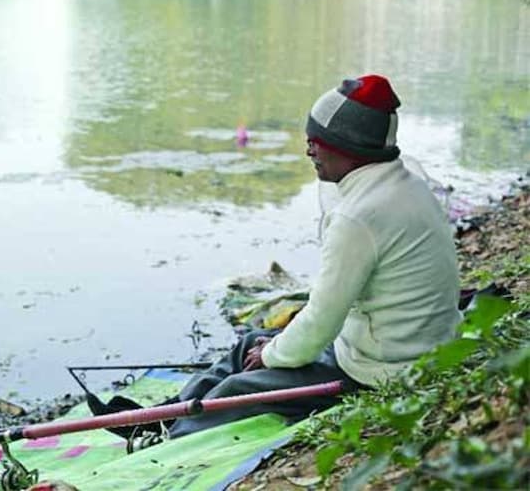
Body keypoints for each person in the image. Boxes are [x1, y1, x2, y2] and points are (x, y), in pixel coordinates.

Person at [161, 74, 462, 437]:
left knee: (236, 390)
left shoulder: (358, 216)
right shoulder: (407, 183)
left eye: (317, 142)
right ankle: (165, 415)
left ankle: (167, 441)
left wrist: (271, 355)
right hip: (414, 345)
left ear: (348, 148)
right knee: (247, 344)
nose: (309, 151)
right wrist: (270, 346)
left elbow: (322, 321)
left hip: (384, 368)